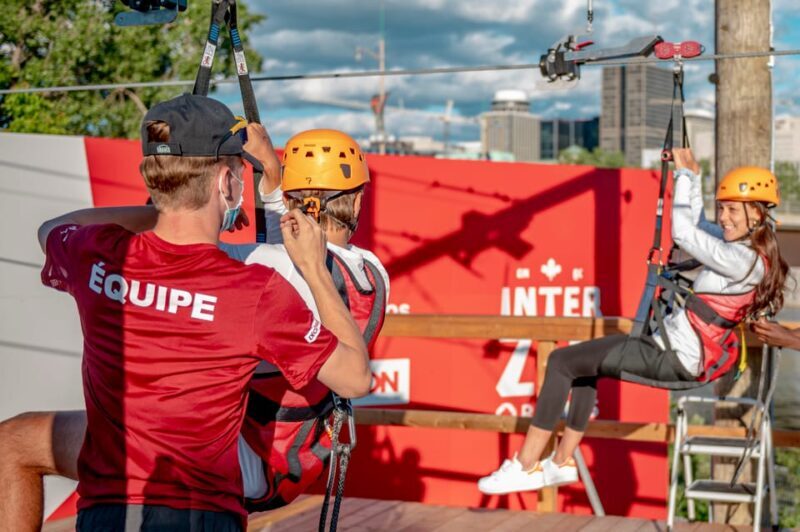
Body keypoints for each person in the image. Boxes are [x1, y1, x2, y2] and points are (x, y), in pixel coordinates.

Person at [0, 94, 371, 532]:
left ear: (155, 180)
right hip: (200, 514)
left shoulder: (98, 255)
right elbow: (355, 378)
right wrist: (312, 267)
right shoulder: (254, 292)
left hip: (107, 510)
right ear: (227, 184)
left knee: (13, 442)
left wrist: (159, 211)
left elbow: (53, 229)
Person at [478, 148, 789, 495]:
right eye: (723, 207)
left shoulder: (743, 259)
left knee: (562, 362)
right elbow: (698, 225)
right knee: (581, 364)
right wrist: (693, 175)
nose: (724, 217)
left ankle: (525, 465)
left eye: (733, 209)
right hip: (668, 347)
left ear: (757, 215)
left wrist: (683, 177)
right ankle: (561, 462)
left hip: (673, 356)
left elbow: (685, 235)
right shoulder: (743, 249)